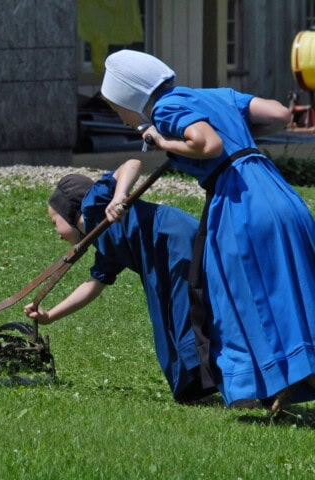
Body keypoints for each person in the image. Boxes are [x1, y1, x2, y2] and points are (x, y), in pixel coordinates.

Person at [100, 49, 315, 415]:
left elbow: (207, 144)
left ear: (129, 97)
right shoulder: (213, 96)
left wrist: (162, 140)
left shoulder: (165, 110)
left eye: (115, 106)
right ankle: (293, 373)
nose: (119, 115)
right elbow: (279, 114)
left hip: (240, 202)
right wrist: (237, 132)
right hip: (279, 193)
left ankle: (264, 380)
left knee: (236, 293)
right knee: (292, 285)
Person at [24, 159, 217, 403]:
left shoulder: (94, 204)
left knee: (184, 315)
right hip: (160, 261)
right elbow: (93, 285)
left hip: (174, 241)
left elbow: (133, 163)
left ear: (67, 210)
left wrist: (119, 196)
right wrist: (50, 315)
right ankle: (195, 386)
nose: (57, 233)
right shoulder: (103, 243)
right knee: (166, 323)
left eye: (55, 223)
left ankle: (221, 377)